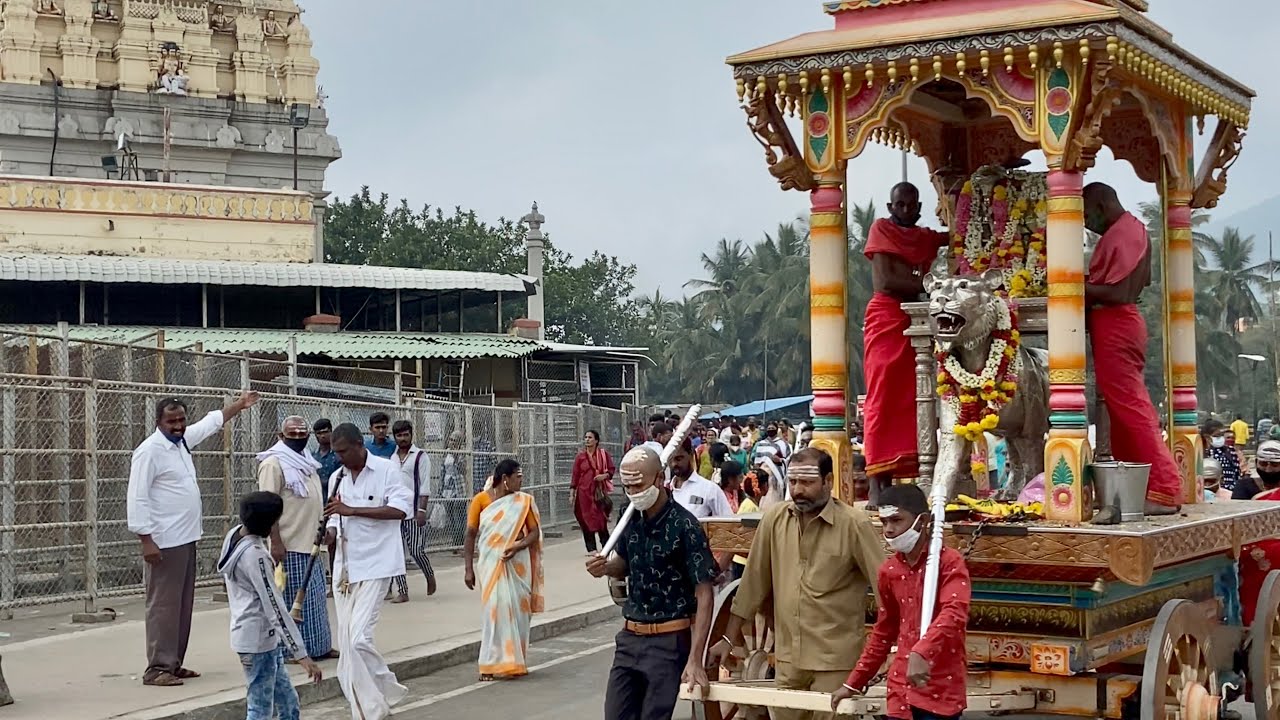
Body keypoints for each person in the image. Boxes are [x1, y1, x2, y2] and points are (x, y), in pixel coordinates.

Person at [709, 448, 885, 720]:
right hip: (788, 659)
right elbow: (752, 585)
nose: (798, 490)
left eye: (807, 482)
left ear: (828, 481)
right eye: (793, 482)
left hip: (835, 661)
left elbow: (886, 589)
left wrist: (894, 649)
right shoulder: (774, 520)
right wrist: (726, 638)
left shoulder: (854, 524)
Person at [127, 391, 259, 687]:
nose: (178, 425)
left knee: (182, 605)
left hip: (186, 538)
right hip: (164, 541)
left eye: (181, 420)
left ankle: (173, 663)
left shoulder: (182, 442)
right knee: (163, 606)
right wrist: (146, 539)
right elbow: (137, 498)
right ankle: (157, 667)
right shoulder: (150, 451)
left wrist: (238, 406)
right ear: (159, 422)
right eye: (171, 421)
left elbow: (211, 422)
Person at [586, 446, 718, 720]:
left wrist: (695, 658)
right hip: (629, 637)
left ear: (659, 478)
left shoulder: (685, 525)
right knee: (616, 714)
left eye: (638, 485)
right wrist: (604, 568)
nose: (633, 492)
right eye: (627, 487)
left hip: (668, 640)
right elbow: (623, 562)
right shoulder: (629, 517)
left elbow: (704, 593)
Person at [830, 483, 970, 720]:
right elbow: (884, 631)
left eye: (896, 520)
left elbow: (954, 614)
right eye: (884, 522)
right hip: (900, 692)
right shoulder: (889, 571)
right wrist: (854, 683)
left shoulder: (949, 562)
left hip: (939, 690)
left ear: (923, 521)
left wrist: (922, 652)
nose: (889, 530)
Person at [1084, 183, 1182, 514]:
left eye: (1086, 213)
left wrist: (1068, 283)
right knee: (1120, 407)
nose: (1085, 223)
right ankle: (1140, 486)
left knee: (1130, 405)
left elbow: (1119, 292)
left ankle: (1165, 488)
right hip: (1116, 322)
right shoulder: (1131, 231)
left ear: (1100, 204)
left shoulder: (1125, 233)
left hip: (1117, 321)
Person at [863, 182, 950, 503]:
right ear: (890, 206)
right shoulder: (881, 229)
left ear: (918, 208)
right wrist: (927, 284)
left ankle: (906, 473)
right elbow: (885, 280)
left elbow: (949, 238)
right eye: (899, 204)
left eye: (911, 205)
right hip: (887, 317)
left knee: (914, 398)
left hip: (917, 319)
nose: (905, 210)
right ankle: (875, 480)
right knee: (881, 397)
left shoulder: (923, 237)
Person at [323, 423, 413, 720]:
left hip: (377, 564)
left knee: (359, 638)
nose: (339, 458)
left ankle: (387, 689)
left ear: (360, 444)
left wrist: (352, 510)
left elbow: (400, 511)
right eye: (336, 453)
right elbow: (335, 518)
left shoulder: (387, 471)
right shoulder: (337, 477)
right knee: (347, 643)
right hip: (345, 568)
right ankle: (368, 708)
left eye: (344, 452)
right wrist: (330, 533)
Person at [217, 491, 323, 720]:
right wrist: (301, 654)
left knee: (288, 703)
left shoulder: (234, 535)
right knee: (260, 709)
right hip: (257, 642)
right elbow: (274, 606)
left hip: (261, 638)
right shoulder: (255, 556)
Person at [256, 416, 336, 661]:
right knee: (292, 600)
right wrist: (276, 541)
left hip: (310, 543)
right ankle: (295, 651)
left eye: (303, 436)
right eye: (294, 436)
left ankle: (319, 647)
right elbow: (267, 505)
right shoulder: (274, 464)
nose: (299, 440)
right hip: (288, 545)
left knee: (314, 601)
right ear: (282, 437)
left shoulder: (307, 462)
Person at [462, 458, 544, 680]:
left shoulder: (523, 502)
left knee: (518, 612)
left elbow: (534, 533)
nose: (521, 481)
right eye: (518, 477)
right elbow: (470, 534)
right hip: (491, 562)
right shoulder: (481, 500)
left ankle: (514, 661)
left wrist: (518, 545)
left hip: (518, 564)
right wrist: (468, 568)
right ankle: (489, 664)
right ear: (505, 479)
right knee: (495, 610)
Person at [389, 420, 435, 603]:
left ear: (411, 435)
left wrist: (422, 510)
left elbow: (425, 485)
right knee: (396, 551)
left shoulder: (420, 456)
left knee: (416, 550)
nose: (402, 438)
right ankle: (402, 590)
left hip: (413, 510)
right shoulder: (391, 458)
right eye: (399, 435)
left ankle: (429, 575)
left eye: (405, 434)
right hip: (394, 511)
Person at [1238, 440, 1280, 624]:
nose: (1269, 469)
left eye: (1274, 464)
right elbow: (1237, 518)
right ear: (1256, 463)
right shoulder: (1245, 486)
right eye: (1263, 464)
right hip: (1251, 545)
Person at [571, 430, 616, 552]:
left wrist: (604, 476)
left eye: (590, 437)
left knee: (601, 519)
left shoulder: (603, 454)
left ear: (596, 440)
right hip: (583, 494)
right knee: (584, 519)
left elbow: (611, 470)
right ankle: (591, 548)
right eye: (585, 437)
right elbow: (575, 476)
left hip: (598, 492)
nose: (587, 440)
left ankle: (607, 546)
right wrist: (572, 493)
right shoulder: (580, 457)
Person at [669, 439, 734, 518]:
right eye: (670, 459)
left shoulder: (709, 489)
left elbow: (727, 522)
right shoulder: (665, 491)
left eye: (678, 459)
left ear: (691, 455)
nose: (674, 464)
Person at [440, 430, 470, 548]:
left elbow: (463, 470)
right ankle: (454, 542)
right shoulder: (446, 453)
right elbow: (442, 471)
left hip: (458, 488)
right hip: (447, 488)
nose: (452, 442)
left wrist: (456, 456)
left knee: (459, 517)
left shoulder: (462, 453)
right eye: (451, 440)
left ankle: (459, 543)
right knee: (451, 517)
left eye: (455, 440)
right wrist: (440, 489)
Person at [1203, 420, 1243, 494]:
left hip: (1231, 492)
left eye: (1222, 435)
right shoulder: (1202, 453)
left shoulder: (1231, 451)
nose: (1220, 438)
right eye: (1217, 435)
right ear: (1207, 437)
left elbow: (1237, 474)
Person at [313, 419, 341, 499]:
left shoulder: (339, 454)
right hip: (316, 498)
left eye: (325, 432)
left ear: (331, 432)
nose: (322, 436)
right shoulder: (312, 456)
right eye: (319, 433)